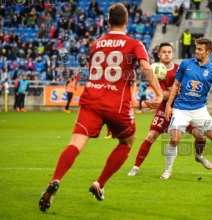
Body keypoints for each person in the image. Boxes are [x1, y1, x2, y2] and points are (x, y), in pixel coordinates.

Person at [38, 3, 163, 212]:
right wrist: (159, 93)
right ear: (126, 21)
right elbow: (145, 67)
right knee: (126, 142)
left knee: (75, 143)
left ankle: (56, 179)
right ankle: (99, 184)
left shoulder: (96, 43)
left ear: (107, 22)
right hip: (116, 104)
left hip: (91, 100)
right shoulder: (135, 43)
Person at [161, 37, 212, 180]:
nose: (196, 51)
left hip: (200, 111)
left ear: (208, 52)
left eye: (200, 49)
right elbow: (175, 86)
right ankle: (168, 170)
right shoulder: (185, 64)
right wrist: (168, 105)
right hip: (181, 109)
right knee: (174, 140)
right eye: (196, 48)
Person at [127, 42, 211, 176]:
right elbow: (163, 94)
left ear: (172, 54)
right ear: (159, 54)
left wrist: (171, 92)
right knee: (151, 136)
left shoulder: (180, 69)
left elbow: (183, 89)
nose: (166, 54)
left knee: (201, 136)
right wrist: (171, 92)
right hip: (163, 110)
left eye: (169, 52)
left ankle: (199, 156)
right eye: (164, 52)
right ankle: (136, 167)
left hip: (182, 110)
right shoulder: (154, 71)